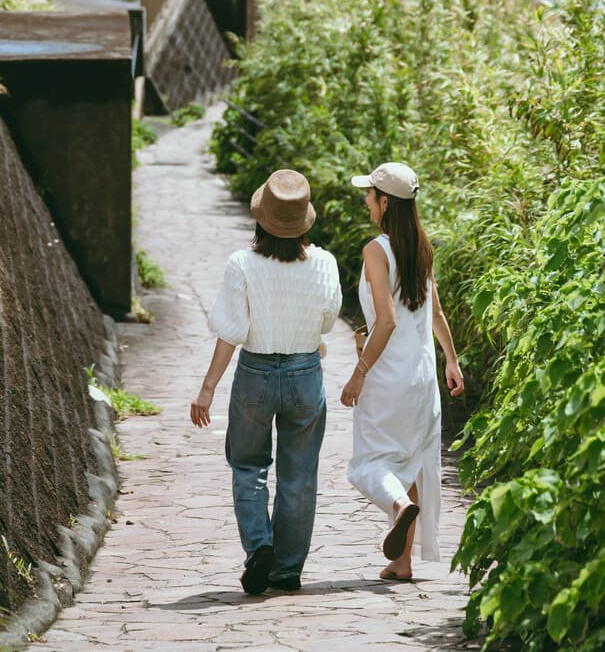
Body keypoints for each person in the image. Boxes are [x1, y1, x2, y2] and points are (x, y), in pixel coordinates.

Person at [190, 169, 342, 595]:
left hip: (255, 372)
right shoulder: (325, 264)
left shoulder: (241, 264)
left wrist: (207, 388)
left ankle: (259, 549)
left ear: (261, 218)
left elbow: (232, 331)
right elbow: (327, 321)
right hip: (304, 373)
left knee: (248, 465)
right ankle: (288, 569)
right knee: (299, 474)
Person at [340, 161, 463, 581]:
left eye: (369, 193)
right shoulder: (421, 247)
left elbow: (387, 320)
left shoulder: (377, 250)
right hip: (422, 378)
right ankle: (403, 562)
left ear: (385, 201)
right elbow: (437, 313)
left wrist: (359, 372)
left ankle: (398, 507)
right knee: (409, 462)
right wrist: (452, 360)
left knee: (370, 462)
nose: (365, 199)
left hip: (388, 378)